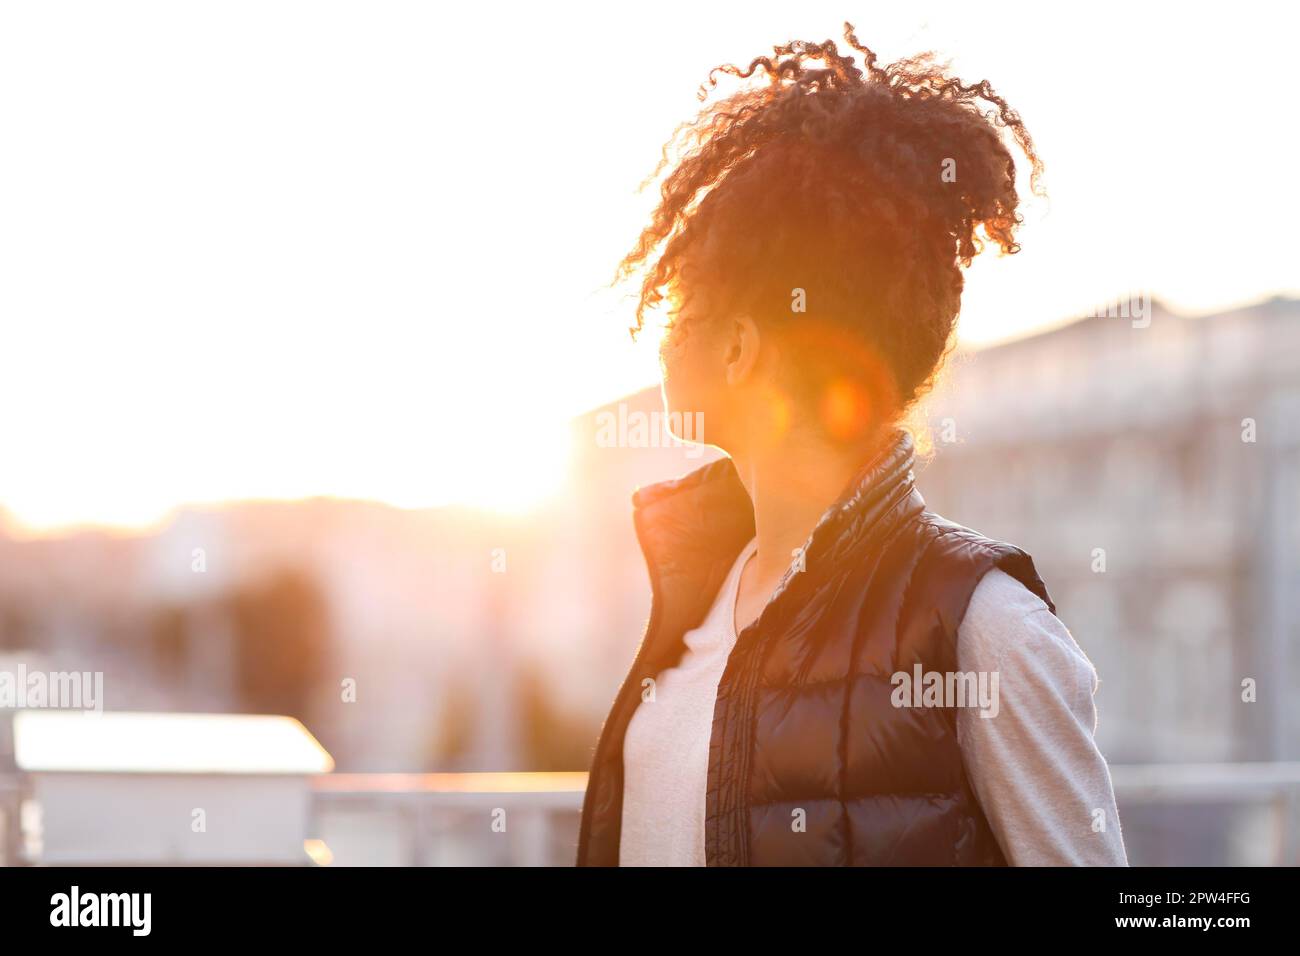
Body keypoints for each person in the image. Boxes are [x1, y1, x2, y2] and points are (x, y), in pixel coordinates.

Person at [576, 23, 1127, 866]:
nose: (658, 338)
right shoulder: (695, 591)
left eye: (682, 303)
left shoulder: (983, 626)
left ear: (737, 347)